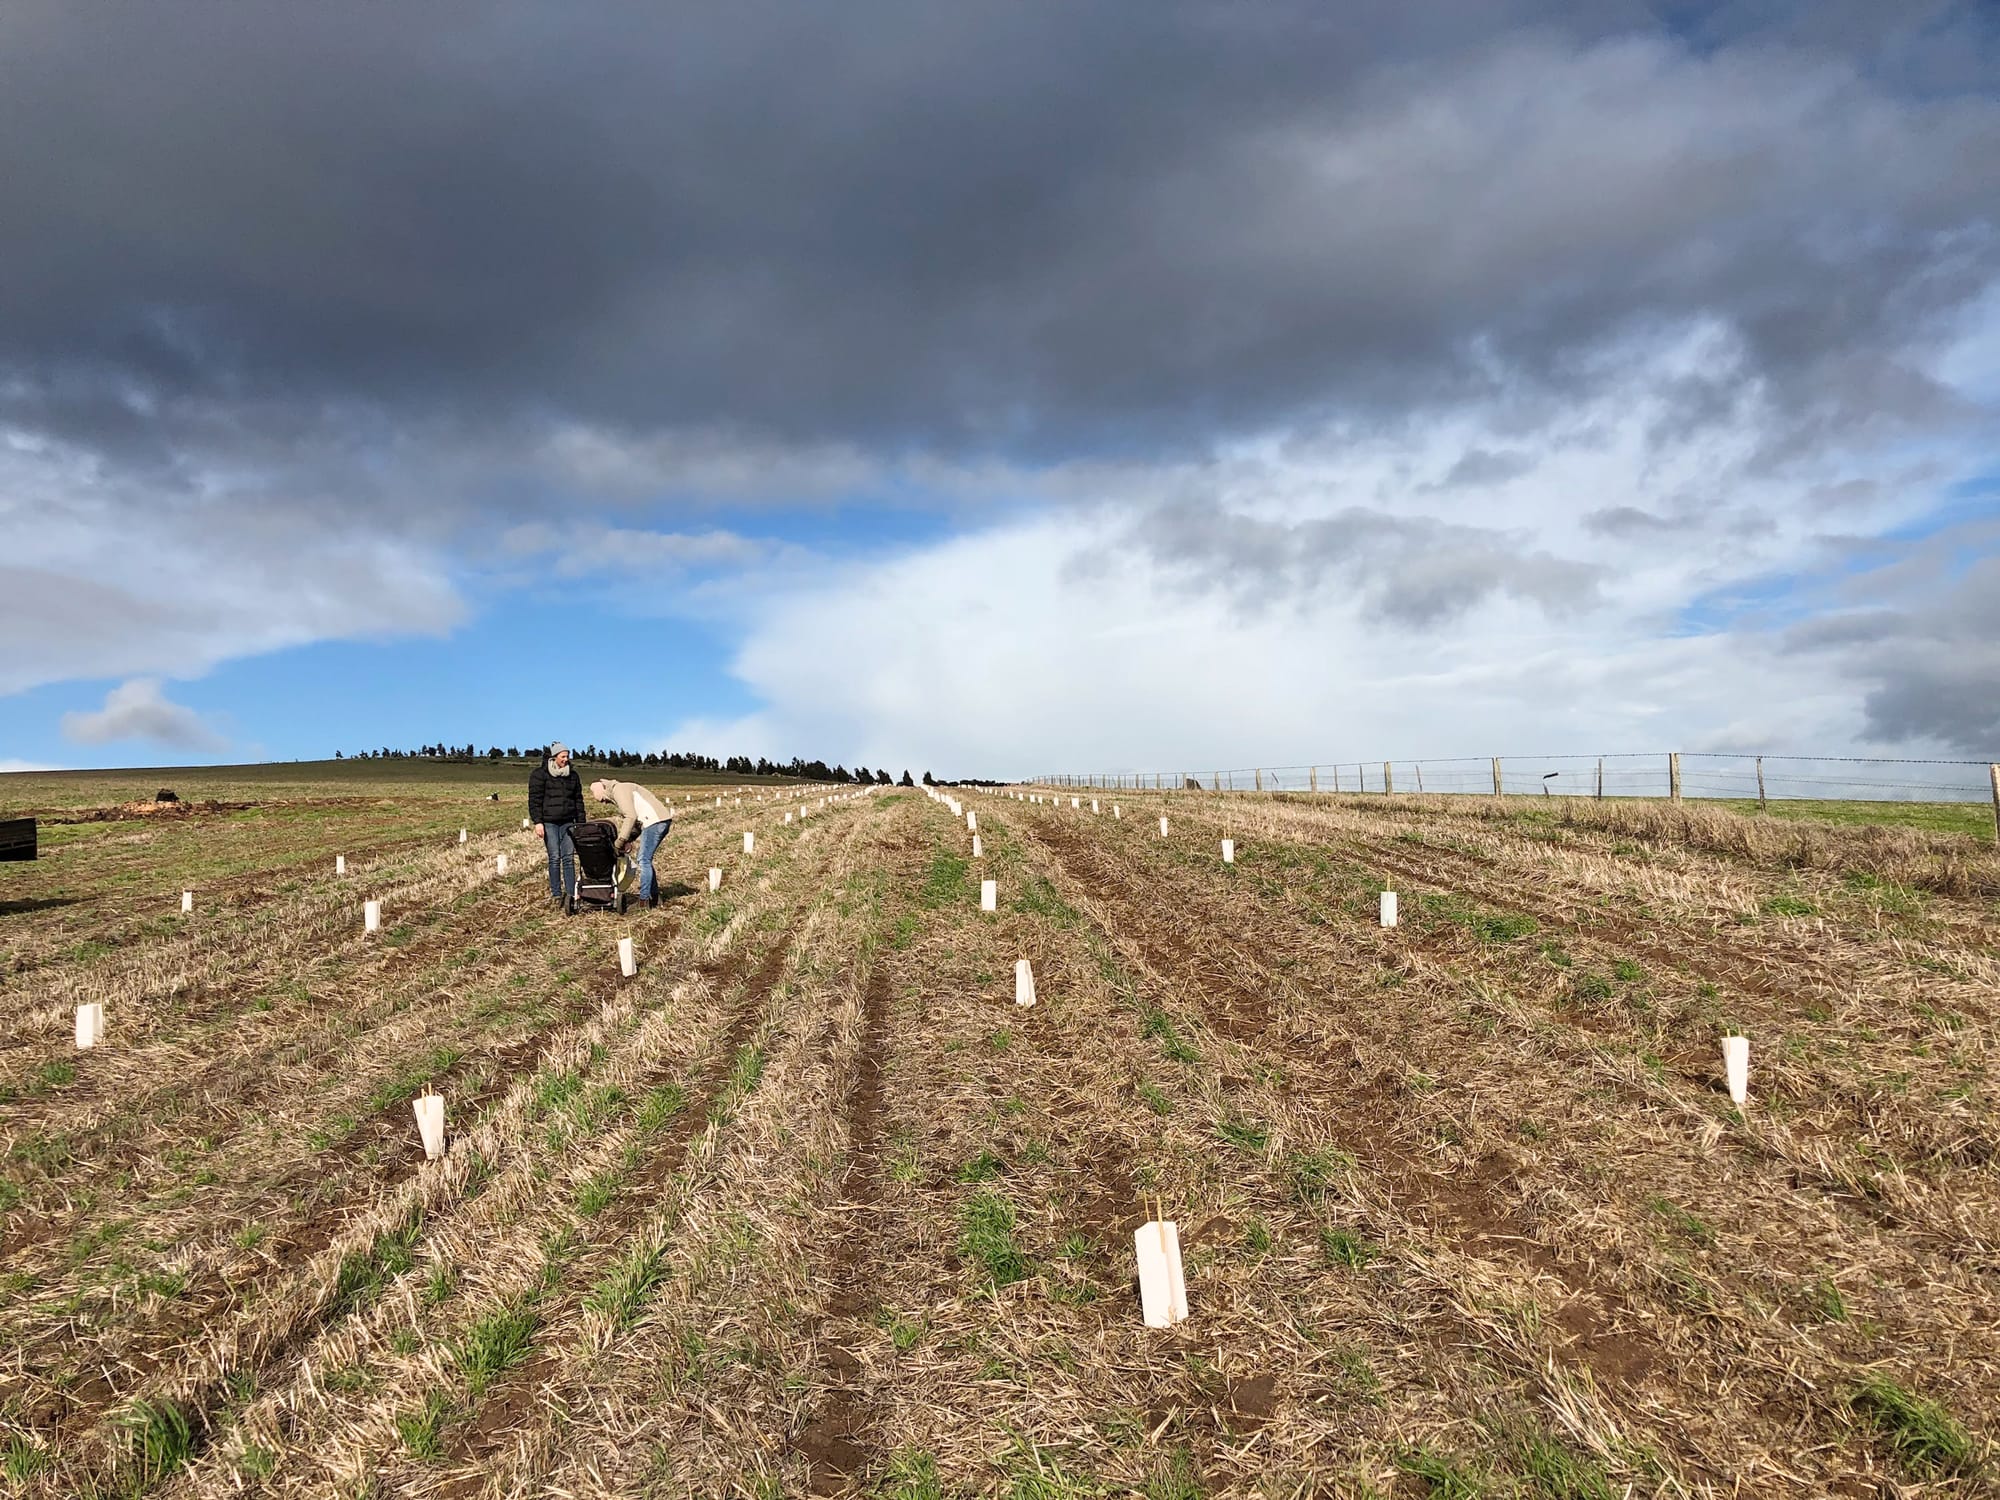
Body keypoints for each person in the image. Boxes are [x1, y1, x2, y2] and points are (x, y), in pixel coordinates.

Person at [591, 777, 673, 906]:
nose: (605, 803)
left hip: (654, 821)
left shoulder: (619, 790)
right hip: (658, 820)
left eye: (603, 799)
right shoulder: (623, 789)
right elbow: (636, 819)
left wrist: (620, 842)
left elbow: (631, 817)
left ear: (604, 791)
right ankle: (654, 897)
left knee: (643, 860)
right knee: (646, 859)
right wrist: (629, 839)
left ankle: (644, 900)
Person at [529, 742, 585, 903]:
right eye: (563, 756)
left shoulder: (573, 776)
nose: (566, 759)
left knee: (568, 858)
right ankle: (556, 894)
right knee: (554, 857)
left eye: (567, 756)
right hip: (549, 822)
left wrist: (580, 824)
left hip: (568, 821)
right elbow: (535, 800)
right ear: (554, 757)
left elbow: (578, 801)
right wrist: (538, 822)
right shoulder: (540, 775)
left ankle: (571, 893)